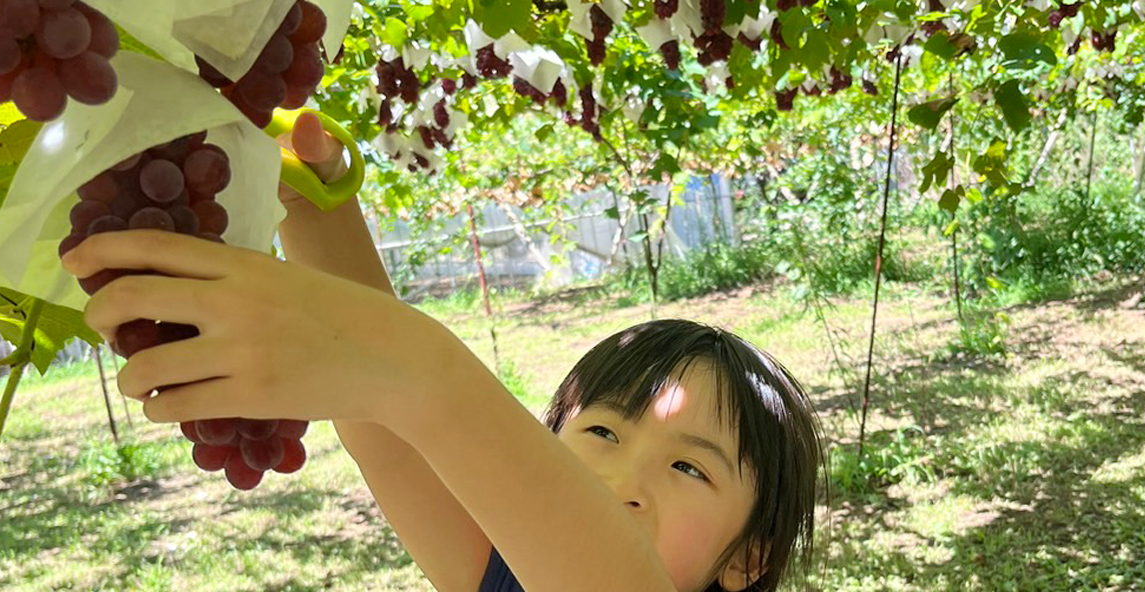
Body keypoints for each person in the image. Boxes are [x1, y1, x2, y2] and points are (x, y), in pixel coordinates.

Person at [58, 113, 823, 592]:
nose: (622, 480)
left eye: (689, 466)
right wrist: (314, 199)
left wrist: (424, 369)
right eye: (600, 433)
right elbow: (391, 437)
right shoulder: (492, 575)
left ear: (747, 559)